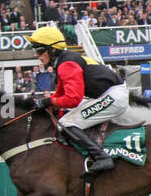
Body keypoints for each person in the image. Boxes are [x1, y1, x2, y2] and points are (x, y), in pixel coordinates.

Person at [27, 25, 128, 173]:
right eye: (35, 50)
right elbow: (60, 94)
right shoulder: (62, 61)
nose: (37, 55)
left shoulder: (66, 64)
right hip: (107, 94)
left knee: (66, 123)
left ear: (53, 49)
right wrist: (46, 104)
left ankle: (102, 158)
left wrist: (48, 102)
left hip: (113, 96)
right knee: (65, 117)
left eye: (39, 50)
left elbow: (72, 99)